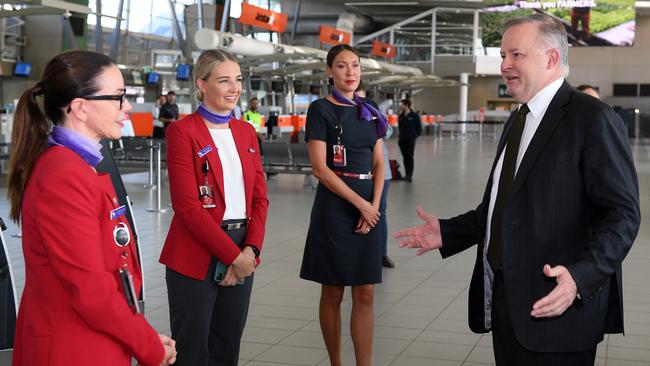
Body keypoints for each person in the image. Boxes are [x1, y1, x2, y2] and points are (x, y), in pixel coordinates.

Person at [395, 14, 639, 366]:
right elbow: (506, 206)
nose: (504, 65)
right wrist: (448, 232)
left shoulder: (592, 118)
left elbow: (623, 214)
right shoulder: (519, 119)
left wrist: (580, 276)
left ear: (551, 58)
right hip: (508, 304)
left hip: (558, 305)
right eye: (502, 55)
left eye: (515, 55)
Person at [8, 50, 176, 366]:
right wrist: (148, 346)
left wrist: (143, 335)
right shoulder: (63, 175)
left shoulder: (78, 166)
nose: (127, 108)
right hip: (70, 348)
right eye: (118, 98)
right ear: (81, 108)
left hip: (92, 340)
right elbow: (92, 290)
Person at [160, 49, 268, 366]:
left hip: (242, 246)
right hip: (196, 252)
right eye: (224, 81)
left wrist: (251, 250)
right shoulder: (182, 132)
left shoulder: (246, 131)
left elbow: (260, 199)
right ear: (202, 85)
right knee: (192, 351)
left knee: (226, 347)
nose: (234, 88)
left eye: (237, 80)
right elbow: (187, 207)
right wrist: (234, 257)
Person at [299, 44, 387, 366]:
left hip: (369, 206)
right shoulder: (320, 110)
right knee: (333, 291)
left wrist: (373, 206)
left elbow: (379, 163)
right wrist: (360, 204)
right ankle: (336, 362)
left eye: (355, 66)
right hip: (335, 208)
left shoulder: (370, 109)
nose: (350, 72)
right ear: (329, 72)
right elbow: (320, 169)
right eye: (342, 66)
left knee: (366, 292)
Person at [355, 83, 395, 269]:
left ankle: (381, 253)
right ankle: (359, 252)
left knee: (379, 214)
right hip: (357, 173)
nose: (359, 103)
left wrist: (373, 118)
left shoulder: (374, 112)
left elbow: (388, 131)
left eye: (362, 99)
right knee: (356, 212)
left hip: (381, 173)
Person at [397, 99, 421, 182]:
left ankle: (409, 175)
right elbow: (400, 127)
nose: (400, 106)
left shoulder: (414, 116)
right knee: (405, 157)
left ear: (407, 105)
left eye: (402, 104)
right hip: (402, 140)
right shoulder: (400, 116)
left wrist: (413, 137)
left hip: (410, 140)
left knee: (409, 157)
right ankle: (406, 174)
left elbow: (419, 129)